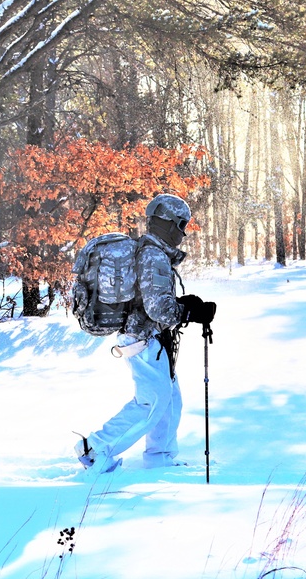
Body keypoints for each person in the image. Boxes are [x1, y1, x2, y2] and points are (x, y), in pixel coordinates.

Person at [75, 193, 216, 474]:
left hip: (149, 339)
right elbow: (158, 309)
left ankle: (160, 456)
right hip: (142, 339)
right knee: (152, 400)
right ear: (169, 223)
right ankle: (95, 448)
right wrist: (189, 312)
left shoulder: (152, 251)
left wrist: (186, 306)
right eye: (182, 225)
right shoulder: (153, 255)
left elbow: (153, 301)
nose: (183, 233)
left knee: (169, 398)